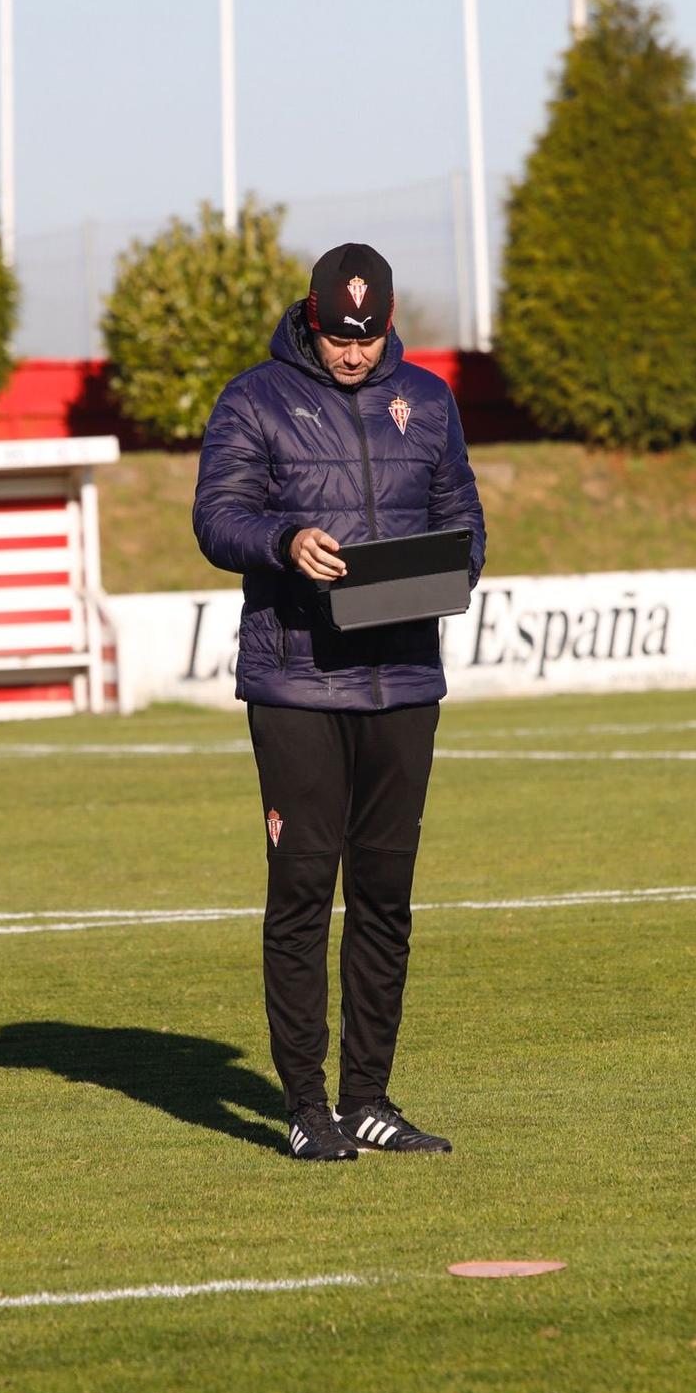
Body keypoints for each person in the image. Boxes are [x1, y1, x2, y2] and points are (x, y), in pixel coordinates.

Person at [193, 243, 486, 1162]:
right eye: (337, 336)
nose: (353, 353)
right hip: (295, 680)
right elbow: (217, 518)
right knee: (303, 891)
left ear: (388, 322)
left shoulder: (430, 401)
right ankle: (304, 1105)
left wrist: (449, 571)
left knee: (386, 895)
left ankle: (369, 1098)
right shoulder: (252, 398)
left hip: (402, 676)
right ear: (310, 319)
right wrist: (287, 540)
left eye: (368, 337)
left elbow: (464, 519)